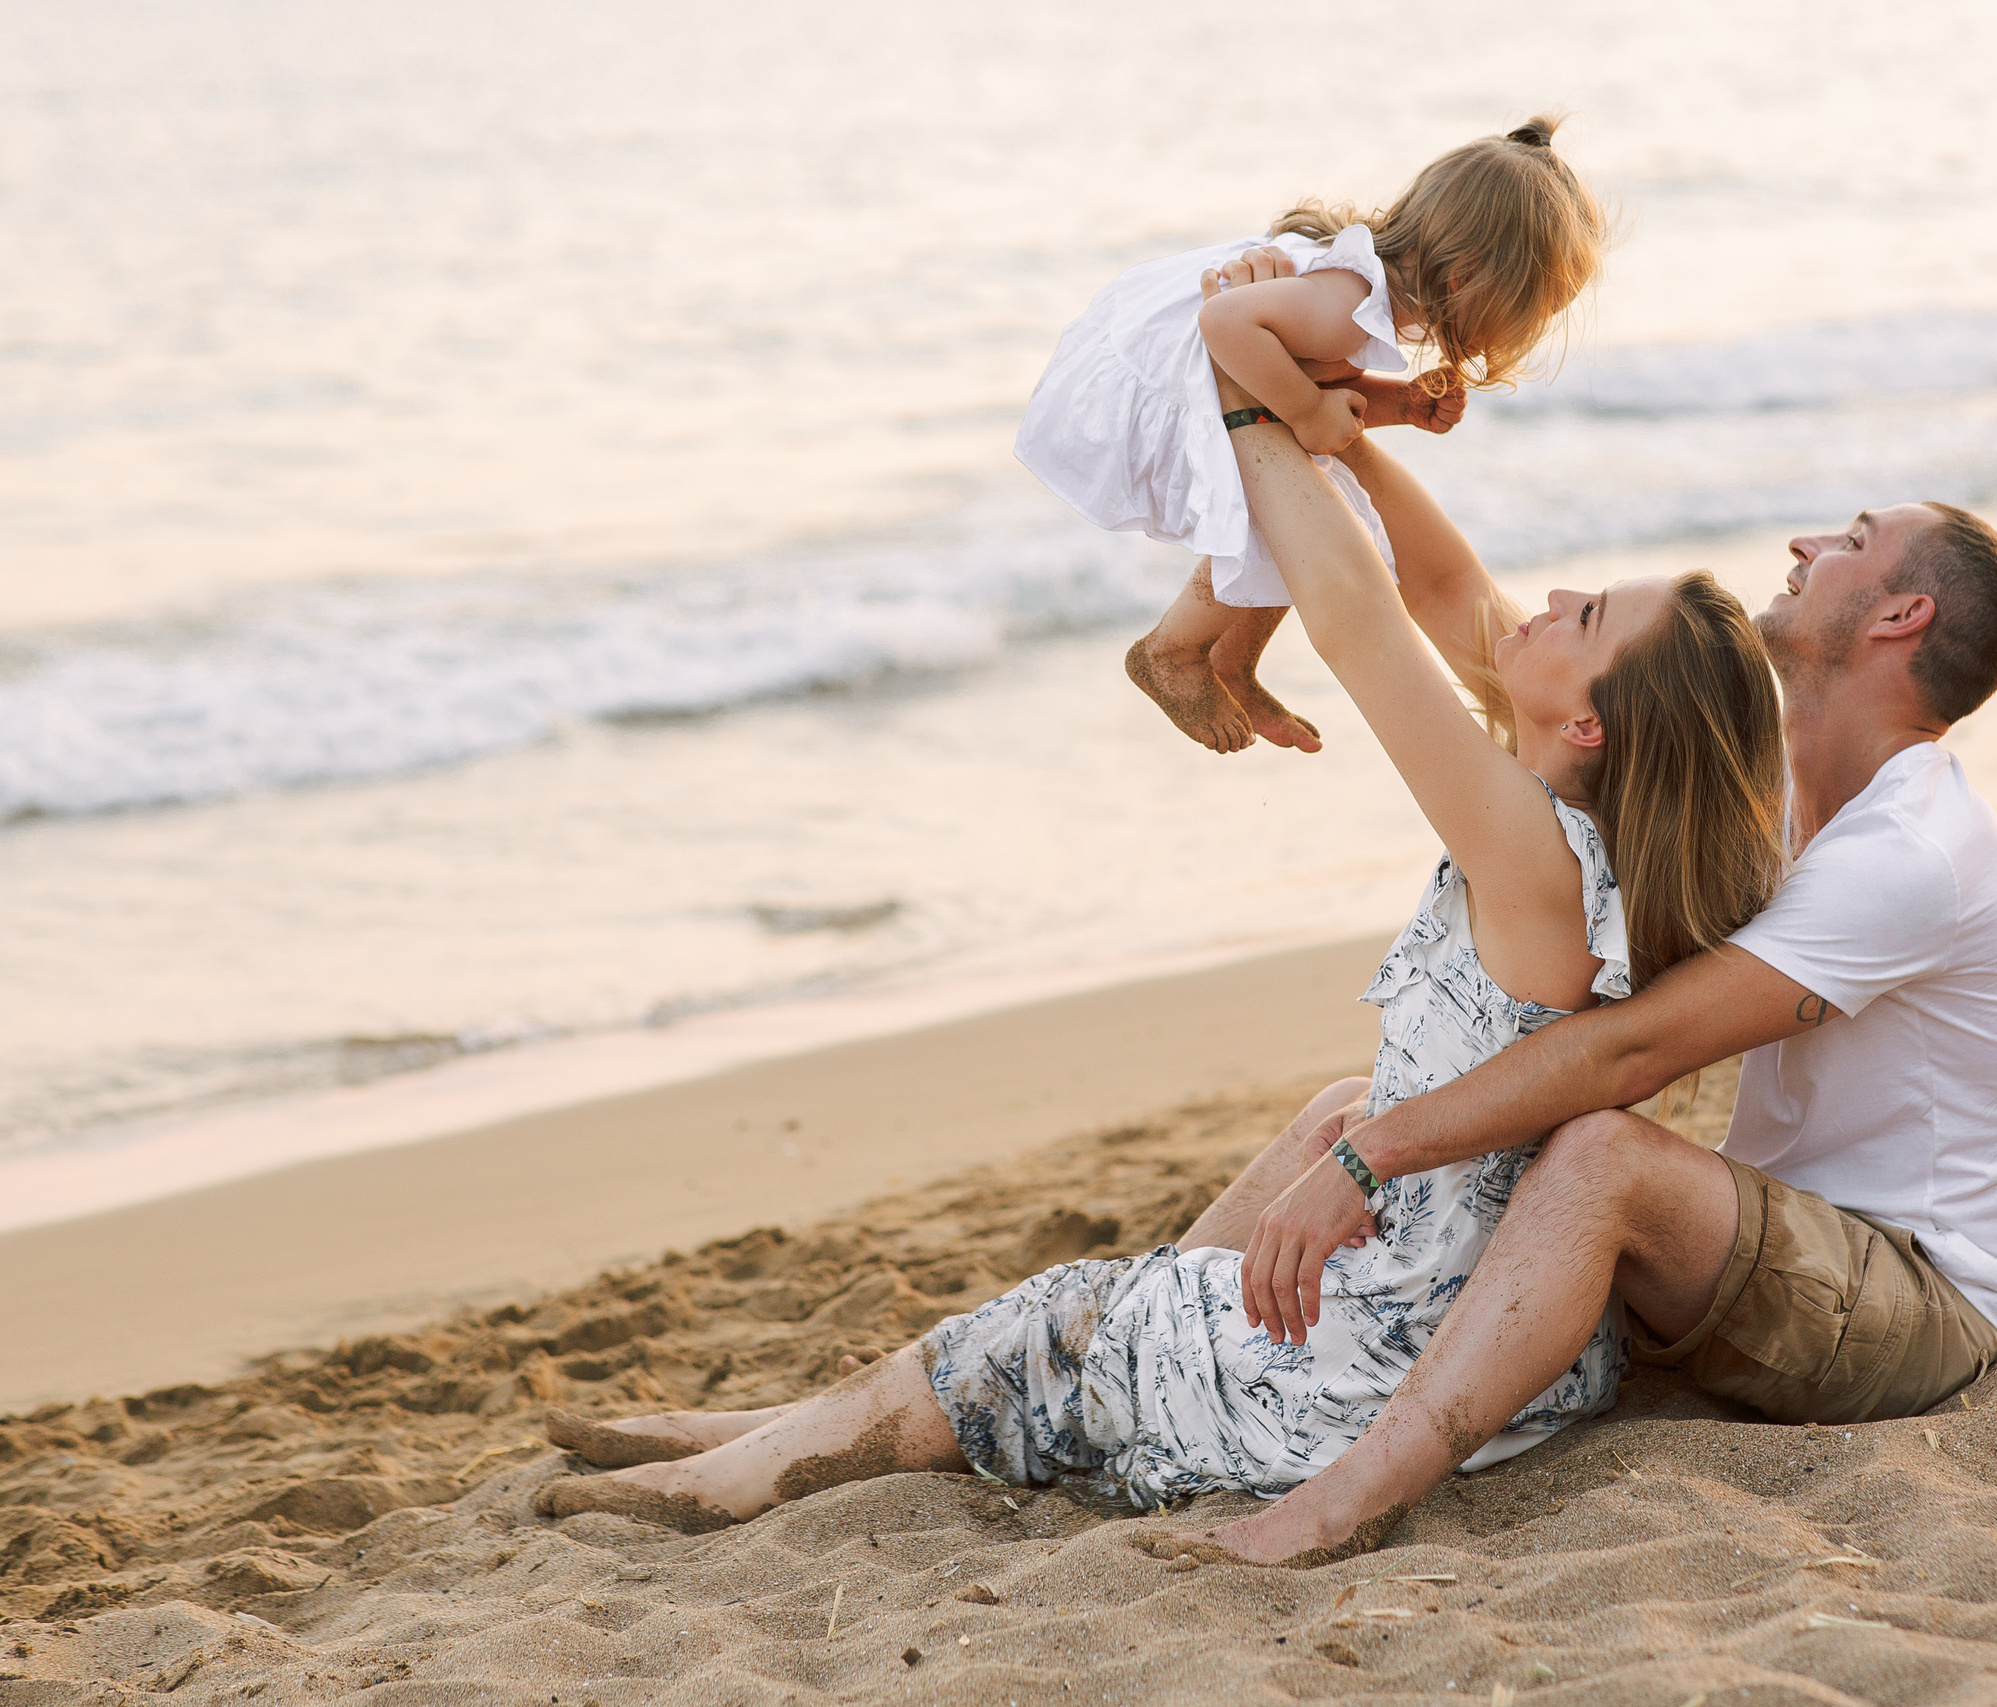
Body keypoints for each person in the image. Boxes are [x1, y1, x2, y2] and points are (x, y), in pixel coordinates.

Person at [532, 268, 1783, 1535]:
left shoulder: (1530, 855)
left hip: (1369, 1366)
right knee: (1327, 1116)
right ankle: (800, 1422)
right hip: (1457, 1308)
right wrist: (1325, 417)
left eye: (1587, 615)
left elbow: (1354, 614)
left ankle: (726, 1480)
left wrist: (1243, 399)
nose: (1551, 599)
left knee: (1042, 1324)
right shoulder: (1562, 822)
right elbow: (1431, 580)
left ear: (1589, 718)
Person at [1174, 492, 1997, 1566]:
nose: (1805, 544)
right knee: (1345, 1109)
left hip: (1914, 1304)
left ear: (1898, 616)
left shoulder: (1910, 853)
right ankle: (1155, 1327)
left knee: (1595, 1160)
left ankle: (1337, 1506)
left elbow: (1632, 1051)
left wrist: (1373, 1160)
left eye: (1852, 545)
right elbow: (1471, 615)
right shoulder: (1772, 792)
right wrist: (1340, 429)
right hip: (1770, 1250)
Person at [1014, 115, 1607, 757]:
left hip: (1193, 373)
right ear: (1464, 278)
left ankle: (1233, 662)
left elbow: (1313, 387)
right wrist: (1303, 415)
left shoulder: (1360, 299)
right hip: (1151, 388)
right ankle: (1172, 650)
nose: (1523, 332)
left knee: (1316, 500)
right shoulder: (1343, 307)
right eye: (1528, 313)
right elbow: (1226, 324)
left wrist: (1401, 405)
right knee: (1309, 507)